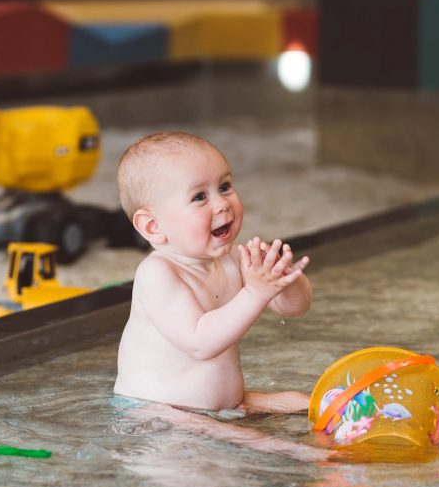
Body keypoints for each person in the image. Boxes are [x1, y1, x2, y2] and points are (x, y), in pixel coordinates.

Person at [113, 131, 320, 457]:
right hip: (161, 413)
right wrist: (255, 292)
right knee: (268, 446)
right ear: (153, 226)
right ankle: (306, 455)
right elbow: (200, 342)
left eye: (224, 187)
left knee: (303, 401)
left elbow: (294, 309)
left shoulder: (233, 258)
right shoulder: (158, 273)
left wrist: (284, 280)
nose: (223, 202)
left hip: (224, 405)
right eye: (200, 197)